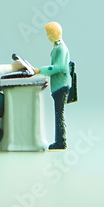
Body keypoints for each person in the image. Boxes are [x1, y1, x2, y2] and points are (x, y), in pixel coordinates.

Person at [33, 22, 71, 150]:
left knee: (59, 115)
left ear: (54, 33)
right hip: (57, 85)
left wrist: (40, 70)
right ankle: (60, 140)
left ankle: (61, 141)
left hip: (61, 86)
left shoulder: (61, 49)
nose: (48, 36)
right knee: (58, 114)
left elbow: (59, 67)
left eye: (49, 33)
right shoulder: (57, 48)